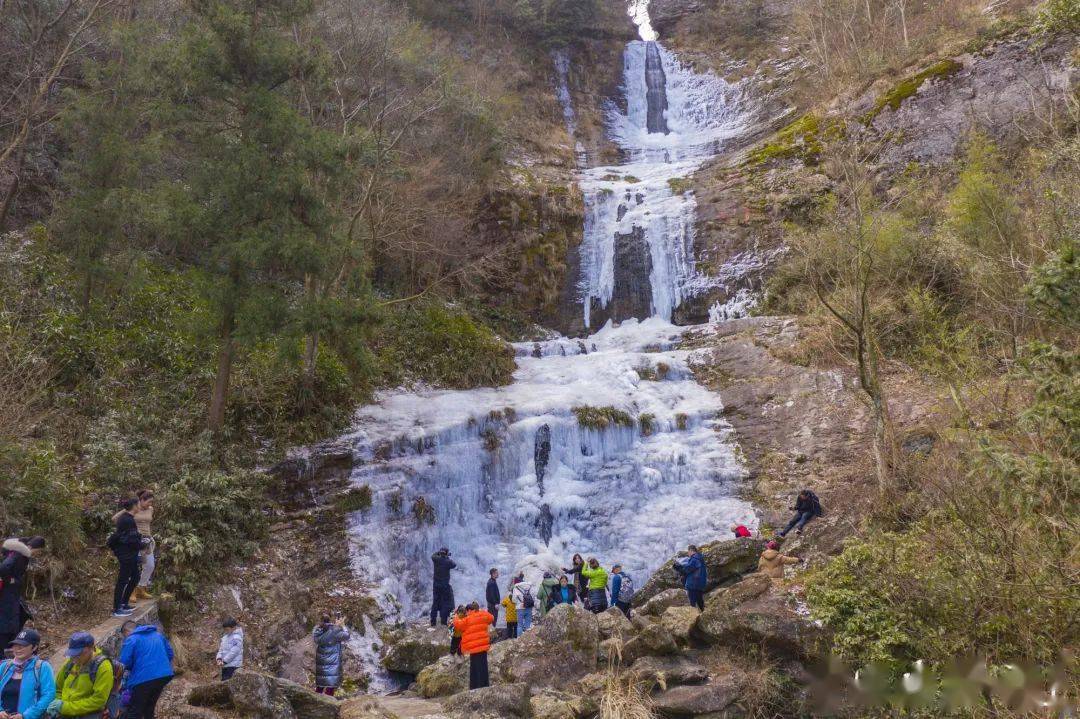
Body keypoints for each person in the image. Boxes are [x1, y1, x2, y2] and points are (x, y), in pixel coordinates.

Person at [49, 632, 113, 719]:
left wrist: (65, 707)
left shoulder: (103, 667)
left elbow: (99, 700)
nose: (74, 659)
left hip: (87, 715)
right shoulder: (71, 662)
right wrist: (58, 703)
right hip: (65, 713)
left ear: (91, 648)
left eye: (79, 654)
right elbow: (58, 687)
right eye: (73, 654)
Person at [119, 621, 173, 719]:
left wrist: (133, 668)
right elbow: (170, 653)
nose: (125, 638)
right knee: (149, 707)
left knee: (135, 711)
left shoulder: (132, 639)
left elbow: (124, 662)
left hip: (143, 679)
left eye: (124, 635)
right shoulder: (158, 635)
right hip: (164, 676)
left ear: (127, 631)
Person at [0, 537, 45, 651]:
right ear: (33, 547)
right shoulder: (20, 554)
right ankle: (6, 655)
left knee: (15, 620)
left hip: (10, 596)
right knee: (8, 626)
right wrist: (13, 581)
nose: (37, 553)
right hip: (8, 597)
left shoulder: (16, 552)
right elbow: (4, 568)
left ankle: (8, 652)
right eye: (38, 550)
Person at [0, 629, 55, 719]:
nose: (18, 649)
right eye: (15, 645)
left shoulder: (42, 667)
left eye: (23, 645)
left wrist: (26, 715)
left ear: (34, 647)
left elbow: (48, 695)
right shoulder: (5, 666)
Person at [108, 498, 147, 618]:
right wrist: (143, 544)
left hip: (131, 553)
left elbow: (130, 537)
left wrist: (140, 540)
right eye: (138, 504)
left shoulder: (127, 518)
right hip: (126, 554)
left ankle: (124, 602)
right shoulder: (127, 520)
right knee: (123, 580)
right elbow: (131, 540)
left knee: (135, 577)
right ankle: (117, 608)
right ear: (134, 506)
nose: (139, 506)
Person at [459, 602, 494, 690]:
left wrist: (457, 615)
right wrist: (481, 611)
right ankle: (484, 686)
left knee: (474, 668)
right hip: (483, 647)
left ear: (469, 610)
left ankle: (474, 687)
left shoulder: (467, 619)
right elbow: (491, 618)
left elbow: (458, 625)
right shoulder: (482, 614)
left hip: (473, 648)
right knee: (483, 666)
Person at [312, 615, 349, 697]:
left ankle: (315, 701)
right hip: (332, 663)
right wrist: (342, 625)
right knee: (330, 686)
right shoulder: (334, 631)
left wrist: (336, 626)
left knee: (320, 685)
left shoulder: (318, 632)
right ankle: (327, 704)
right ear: (330, 621)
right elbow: (347, 635)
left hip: (321, 663)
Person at [429, 548, 456, 627]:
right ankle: (443, 621)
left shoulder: (436, 559)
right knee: (444, 603)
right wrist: (447, 557)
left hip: (436, 585)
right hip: (444, 586)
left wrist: (440, 553)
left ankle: (433, 621)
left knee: (435, 602)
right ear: (446, 554)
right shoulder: (447, 561)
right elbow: (454, 565)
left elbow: (433, 556)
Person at [676, 544, 708, 611]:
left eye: (688, 552)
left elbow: (687, 569)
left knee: (692, 602)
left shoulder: (694, 559)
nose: (688, 554)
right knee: (699, 599)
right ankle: (703, 612)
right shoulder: (700, 557)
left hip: (694, 584)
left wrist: (678, 568)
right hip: (700, 583)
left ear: (691, 550)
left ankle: (693, 616)